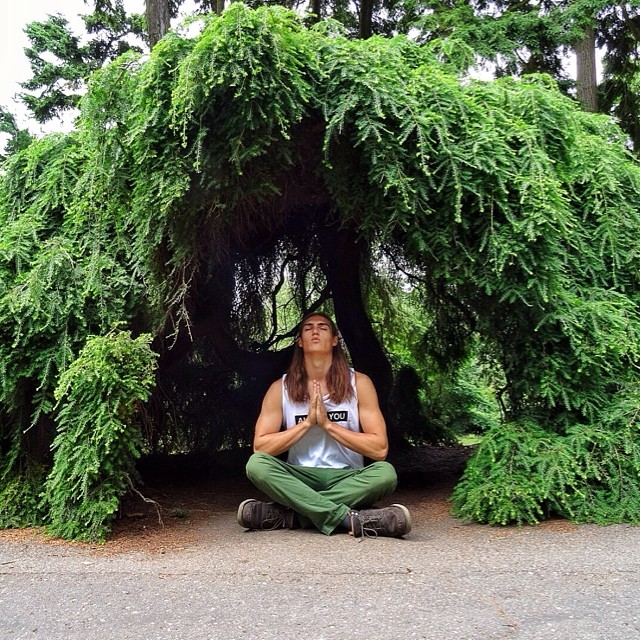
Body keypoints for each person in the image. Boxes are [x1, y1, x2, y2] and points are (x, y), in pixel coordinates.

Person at [237, 311, 411, 538]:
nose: (315, 331)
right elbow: (261, 448)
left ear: (335, 340)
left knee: (385, 474)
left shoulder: (359, 383)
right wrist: (307, 424)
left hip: (348, 476)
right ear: (299, 341)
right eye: (308, 328)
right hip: (299, 477)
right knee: (257, 465)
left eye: (323, 327)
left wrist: (328, 426)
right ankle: (351, 519)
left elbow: (379, 449)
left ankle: (292, 515)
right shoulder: (280, 388)